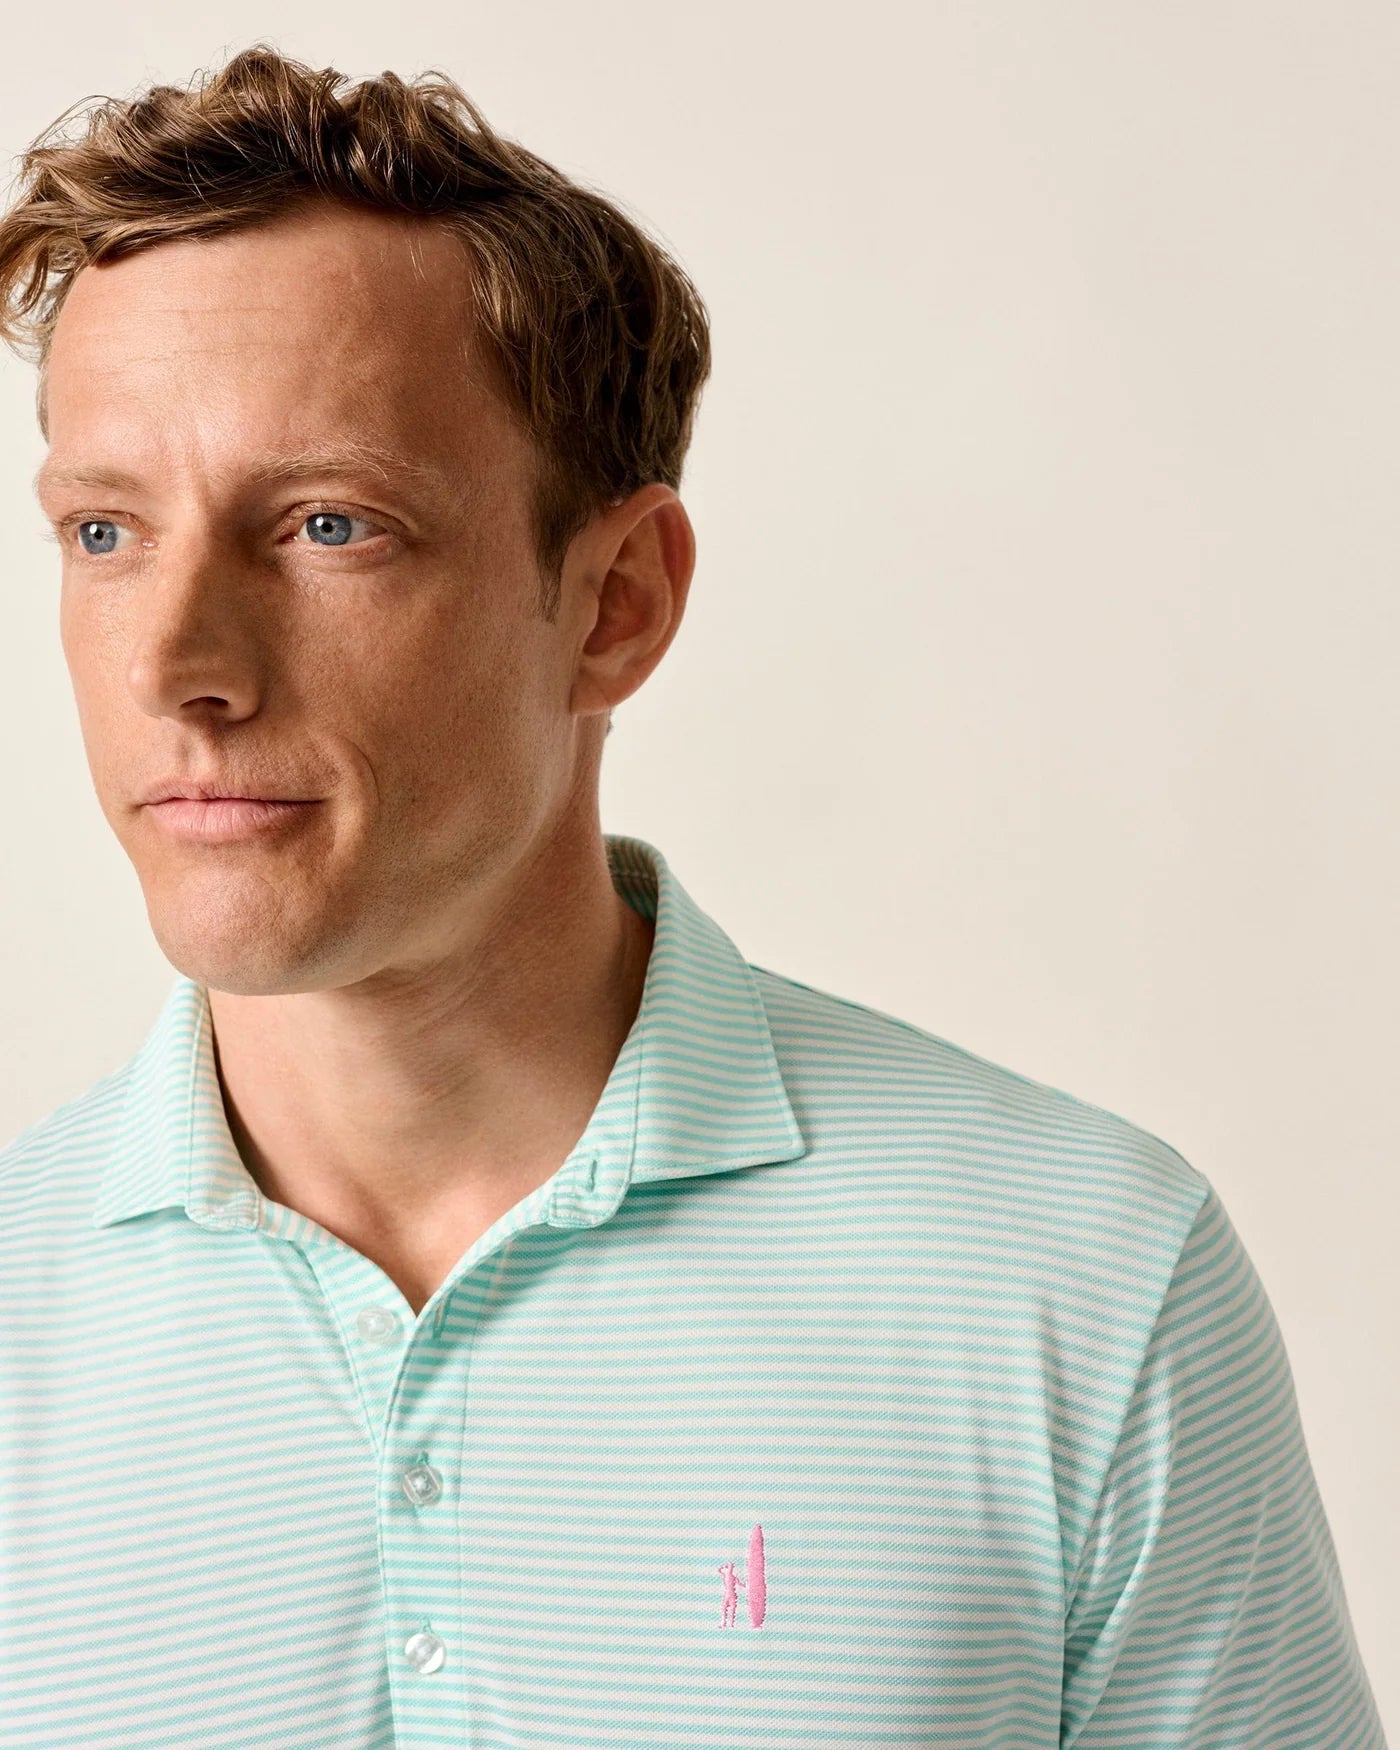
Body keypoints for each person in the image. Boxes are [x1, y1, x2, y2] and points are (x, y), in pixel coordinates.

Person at [0, 43, 1386, 1750]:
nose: (177, 666)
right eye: (105, 533)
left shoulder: (1082, 1289)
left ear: (617, 604)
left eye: (330, 526)